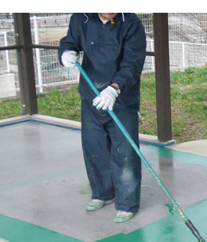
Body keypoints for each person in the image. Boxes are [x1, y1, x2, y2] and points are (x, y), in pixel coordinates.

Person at [59, 13, 147, 223]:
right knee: (94, 147)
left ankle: (127, 204)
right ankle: (103, 193)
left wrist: (114, 89)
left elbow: (133, 62)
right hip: (91, 96)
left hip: (121, 99)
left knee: (125, 152)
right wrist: (65, 54)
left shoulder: (131, 23)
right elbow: (69, 42)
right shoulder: (81, 19)